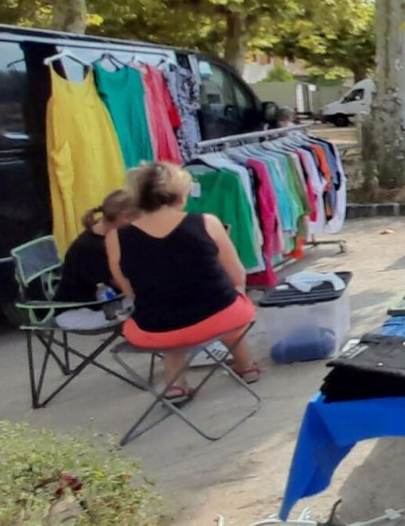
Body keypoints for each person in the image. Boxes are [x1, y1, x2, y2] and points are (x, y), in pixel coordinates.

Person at [106, 162, 260, 402]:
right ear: (180, 195)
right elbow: (238, 275)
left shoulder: (116, 237)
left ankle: (175, 384)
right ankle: (246, 366)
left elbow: (129, 290)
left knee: (168, 308)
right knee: (228, 298)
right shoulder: (207, 222)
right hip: (220, 319)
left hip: (155, 331)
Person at [56, 190, 138, 305]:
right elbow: (125, 286)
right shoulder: (93, 248)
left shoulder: (105, 229)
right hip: (82, 308)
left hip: (107, 299)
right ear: (125, 218)